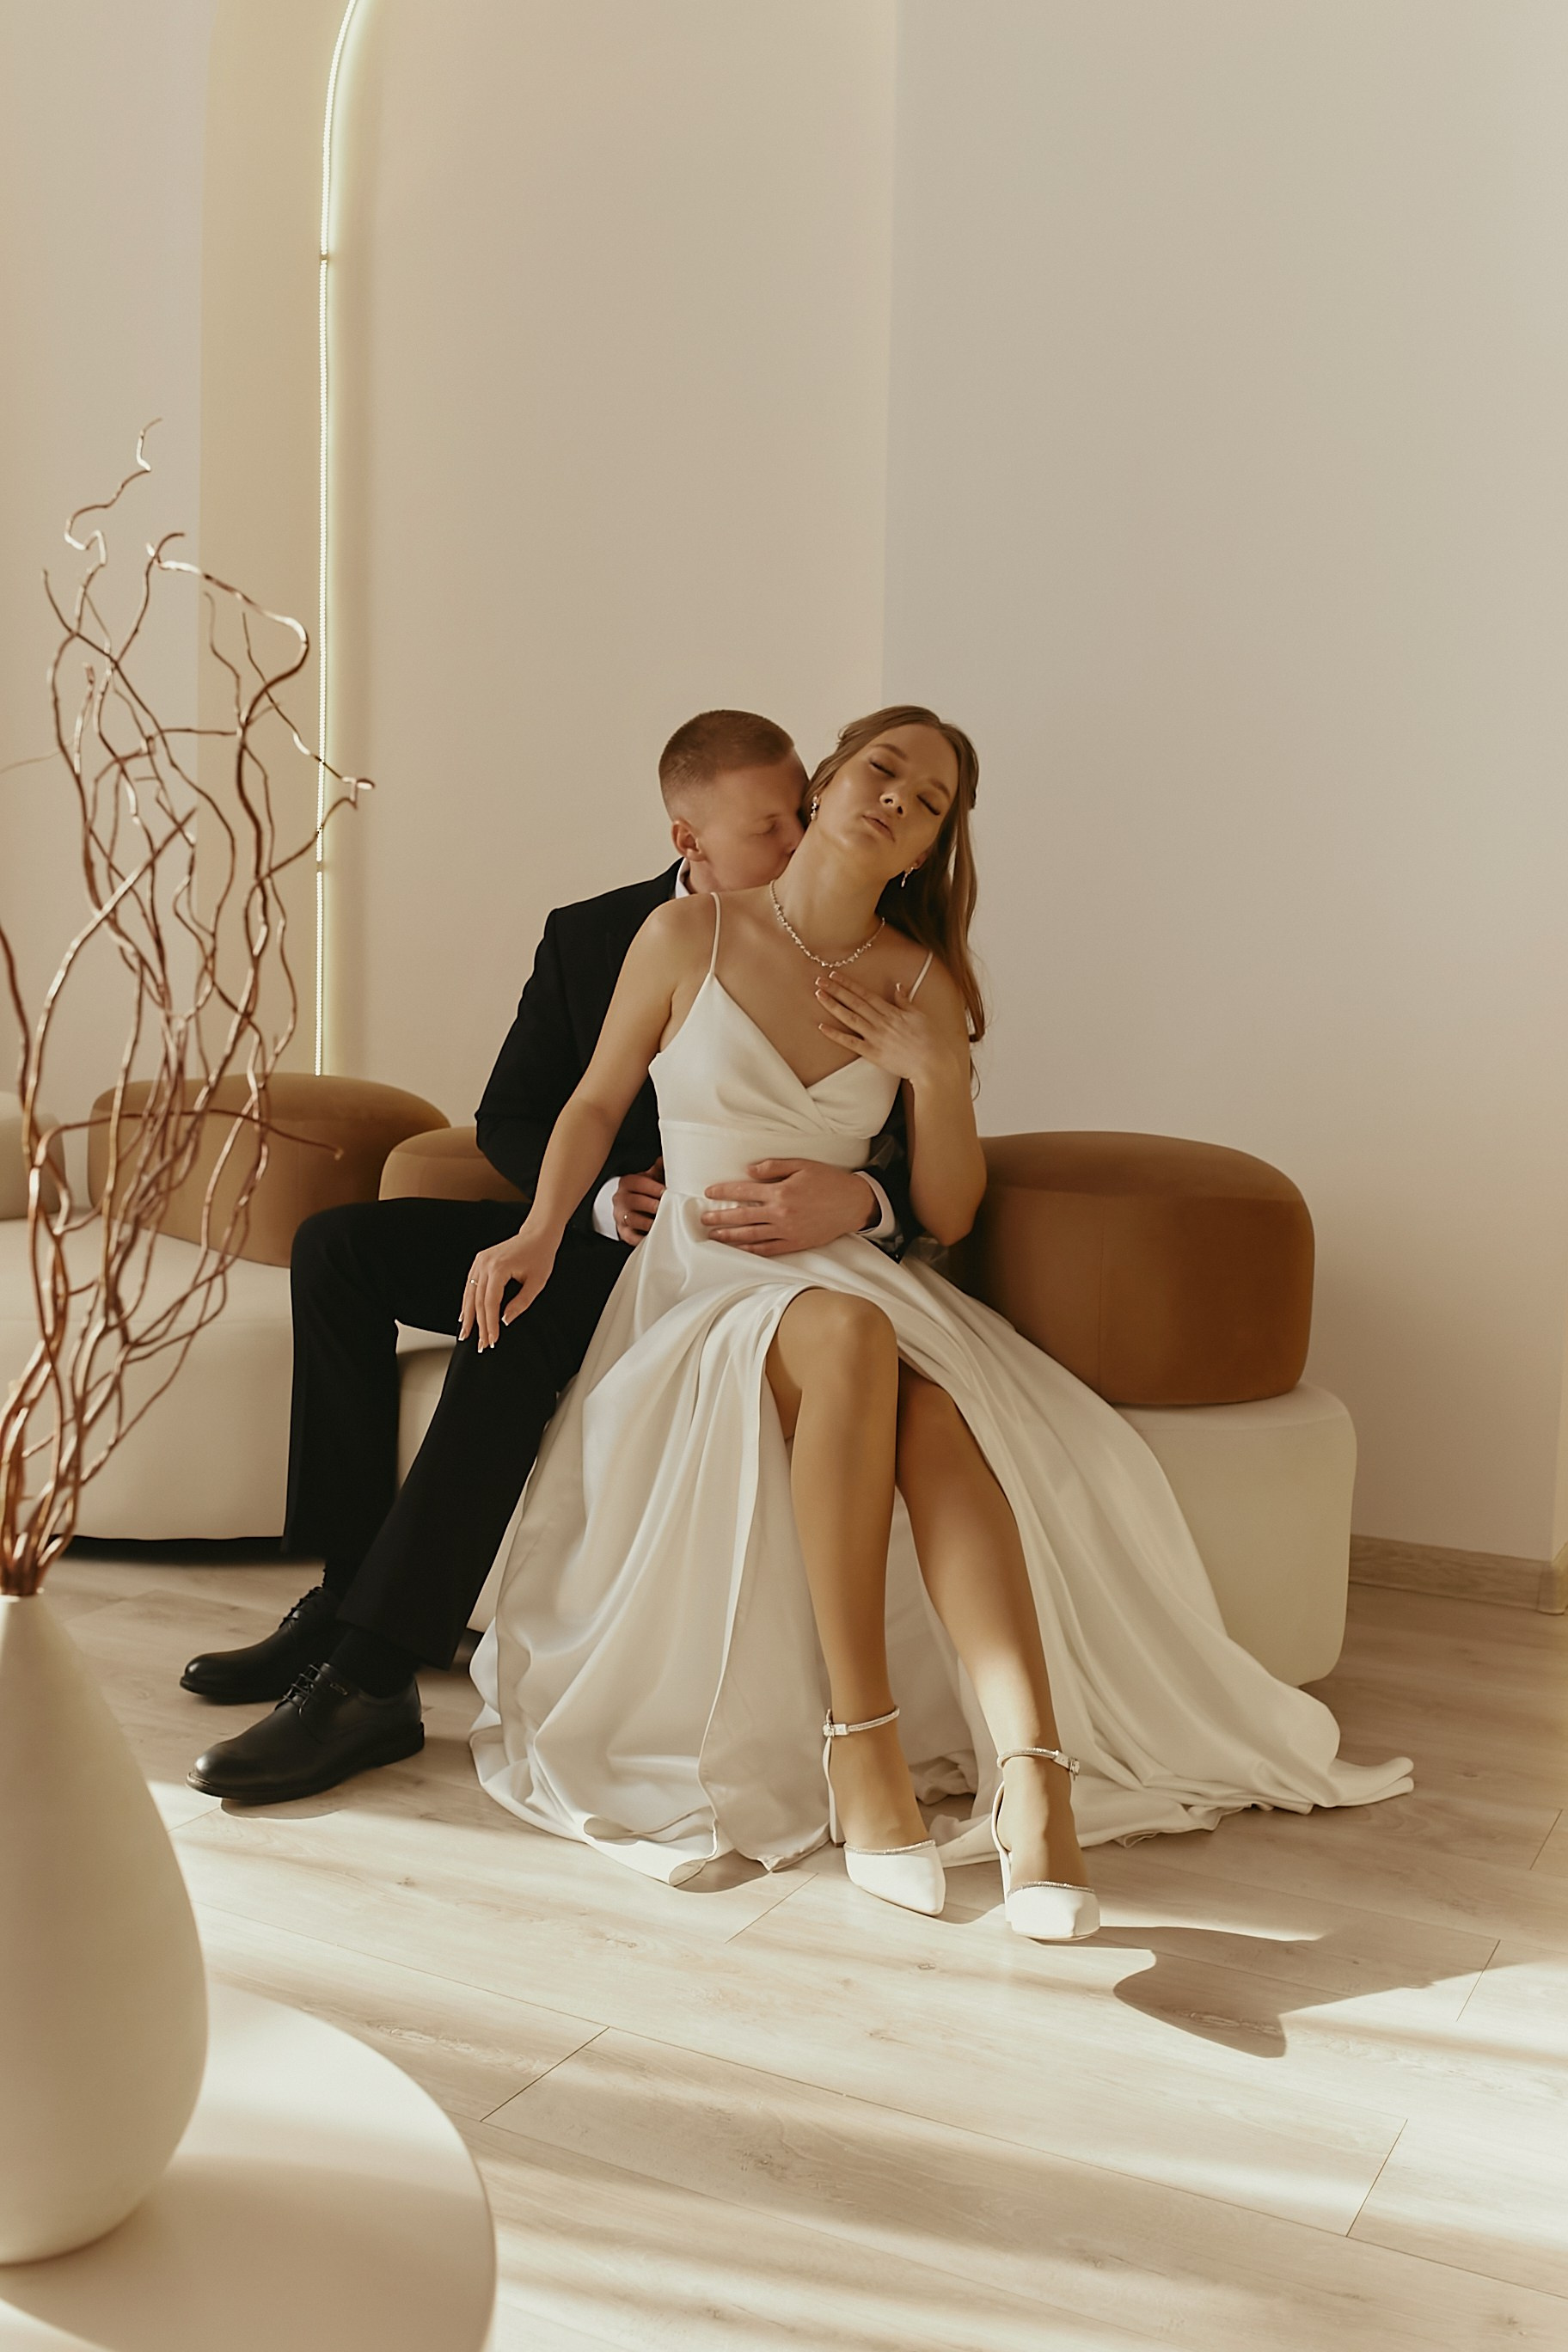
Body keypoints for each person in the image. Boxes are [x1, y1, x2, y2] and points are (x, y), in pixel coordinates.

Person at [465, 704, 1414, 1940]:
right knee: (856, 1345)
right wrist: (542, 1230)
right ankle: (872, 1744)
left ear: (927, 848)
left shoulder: (924, 981)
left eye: (929, 803)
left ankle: (1031, 1780)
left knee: (935, 1420)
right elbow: (595, 1103)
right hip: (701, 1280)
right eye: (883, 771)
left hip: (853, 1280)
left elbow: (950, 1207)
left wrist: (934, 1080)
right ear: (823, 783)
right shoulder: (687, 932)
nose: (899, 802)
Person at [183, 711, 917, 1804]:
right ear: (689, 839)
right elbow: (513, 1115)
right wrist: (595, 1203)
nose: (798, 840)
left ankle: (373, 1679)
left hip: (726, 1264)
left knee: (508, 1328)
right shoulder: (594, 935)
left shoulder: (848, 950)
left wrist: (861, 1196)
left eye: (802, 812)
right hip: (591, 1228)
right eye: (769, 827)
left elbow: (895, 1144)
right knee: (337, 1248)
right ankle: (339, 1599)